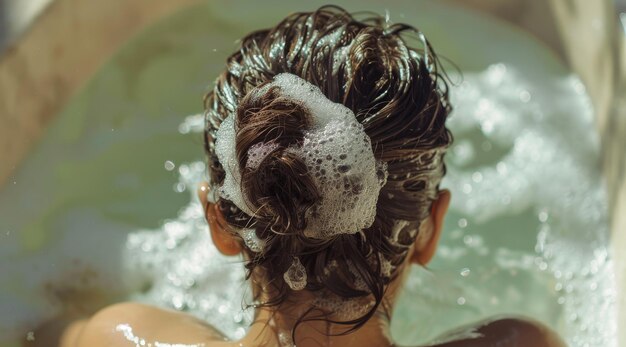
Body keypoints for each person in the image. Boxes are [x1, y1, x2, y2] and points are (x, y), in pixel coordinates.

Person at [33, 6, 566, 347]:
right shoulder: (520, 343)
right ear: (430, 229)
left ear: (219, 224)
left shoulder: (118, 336)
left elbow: (37, 329)